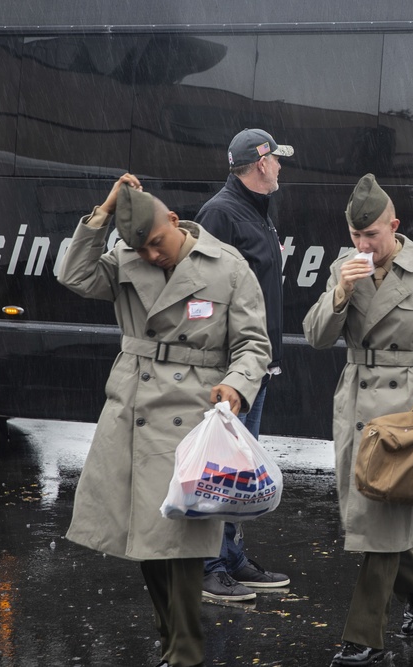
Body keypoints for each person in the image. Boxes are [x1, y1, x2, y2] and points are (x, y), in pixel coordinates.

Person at [58, 174, 272, 667]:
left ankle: (184, 651)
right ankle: (175, 643)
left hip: (193, 417)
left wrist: (237, 385)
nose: (153, 255)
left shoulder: (227, 266)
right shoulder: (126, 260)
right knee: (148, 542)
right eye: (143, 248)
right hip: (133, 409)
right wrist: (103, 214)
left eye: (157, 243)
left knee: (180, 544)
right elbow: (74, 275)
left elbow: (254, 345)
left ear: (175, 222)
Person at [303, 174, 413, 666]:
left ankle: (364, 637)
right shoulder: (345, 269)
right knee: (367, 518)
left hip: (408, 411)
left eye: (372, 236)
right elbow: (316, 337)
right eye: (356, 237)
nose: (364, 245)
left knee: (380, 524)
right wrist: (339, 293)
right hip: (358, 406)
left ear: (394, 226)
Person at [194, 128, 294, 603]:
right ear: (260, 163)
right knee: (221, 470)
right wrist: (231, 370)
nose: (280, 168)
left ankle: (230, 554)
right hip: (234, 371)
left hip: (258, 366)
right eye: (277, 161)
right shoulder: (220, 213)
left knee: (240, 472)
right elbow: (204, 294)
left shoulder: (258, 211)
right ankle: (207, 564)